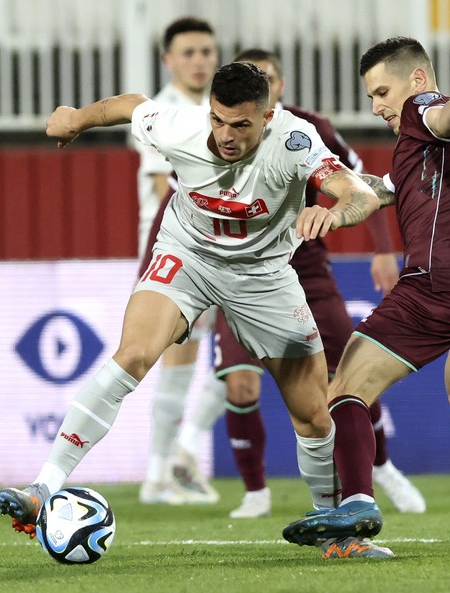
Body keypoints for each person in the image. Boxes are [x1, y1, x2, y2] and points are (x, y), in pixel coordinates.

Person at [0, 62, 390, 560]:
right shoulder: (180, 126)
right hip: (188, 256)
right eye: (219, 120)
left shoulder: (294, 141)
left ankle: (336, 535)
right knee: (133, 356)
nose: (226, 135)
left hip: (264, 277)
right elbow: (126, 105)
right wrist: (75, 118)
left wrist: (332, 212)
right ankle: (44, 487)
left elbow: (357, 192)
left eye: (242, 125)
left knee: (312, 415)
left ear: (267, 117)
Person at [281, 36, 450, 559]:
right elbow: (375, 193)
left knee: (345, 388)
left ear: (417, 80)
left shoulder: (424, 113)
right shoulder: (428, 152)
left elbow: (441, 118)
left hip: (440, 282)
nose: (377, 106)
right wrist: (335, 213)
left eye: (382, 91)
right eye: (371, 97)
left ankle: (356, 502)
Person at [167, 48, 426, 520]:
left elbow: (361, 183)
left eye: (267, 79)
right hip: (239, 275)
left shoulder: (308, 130)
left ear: (278, 90)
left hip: (307, 270)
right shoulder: (212, 134)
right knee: (238, 384)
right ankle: (256, 492)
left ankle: (382, 468)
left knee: (351, 375)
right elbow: (184, 201)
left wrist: (384, 248)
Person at [133, 17, 223, 506]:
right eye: (187, 52)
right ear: (168, 60)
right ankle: (159, 473)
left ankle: (178, 457)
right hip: (181, 250)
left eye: (206, 51)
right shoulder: (159, 113)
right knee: (175, 358)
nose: (199, 61)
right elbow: (160, 186)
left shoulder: (224, 110)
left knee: (248, 355)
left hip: (229, 248)